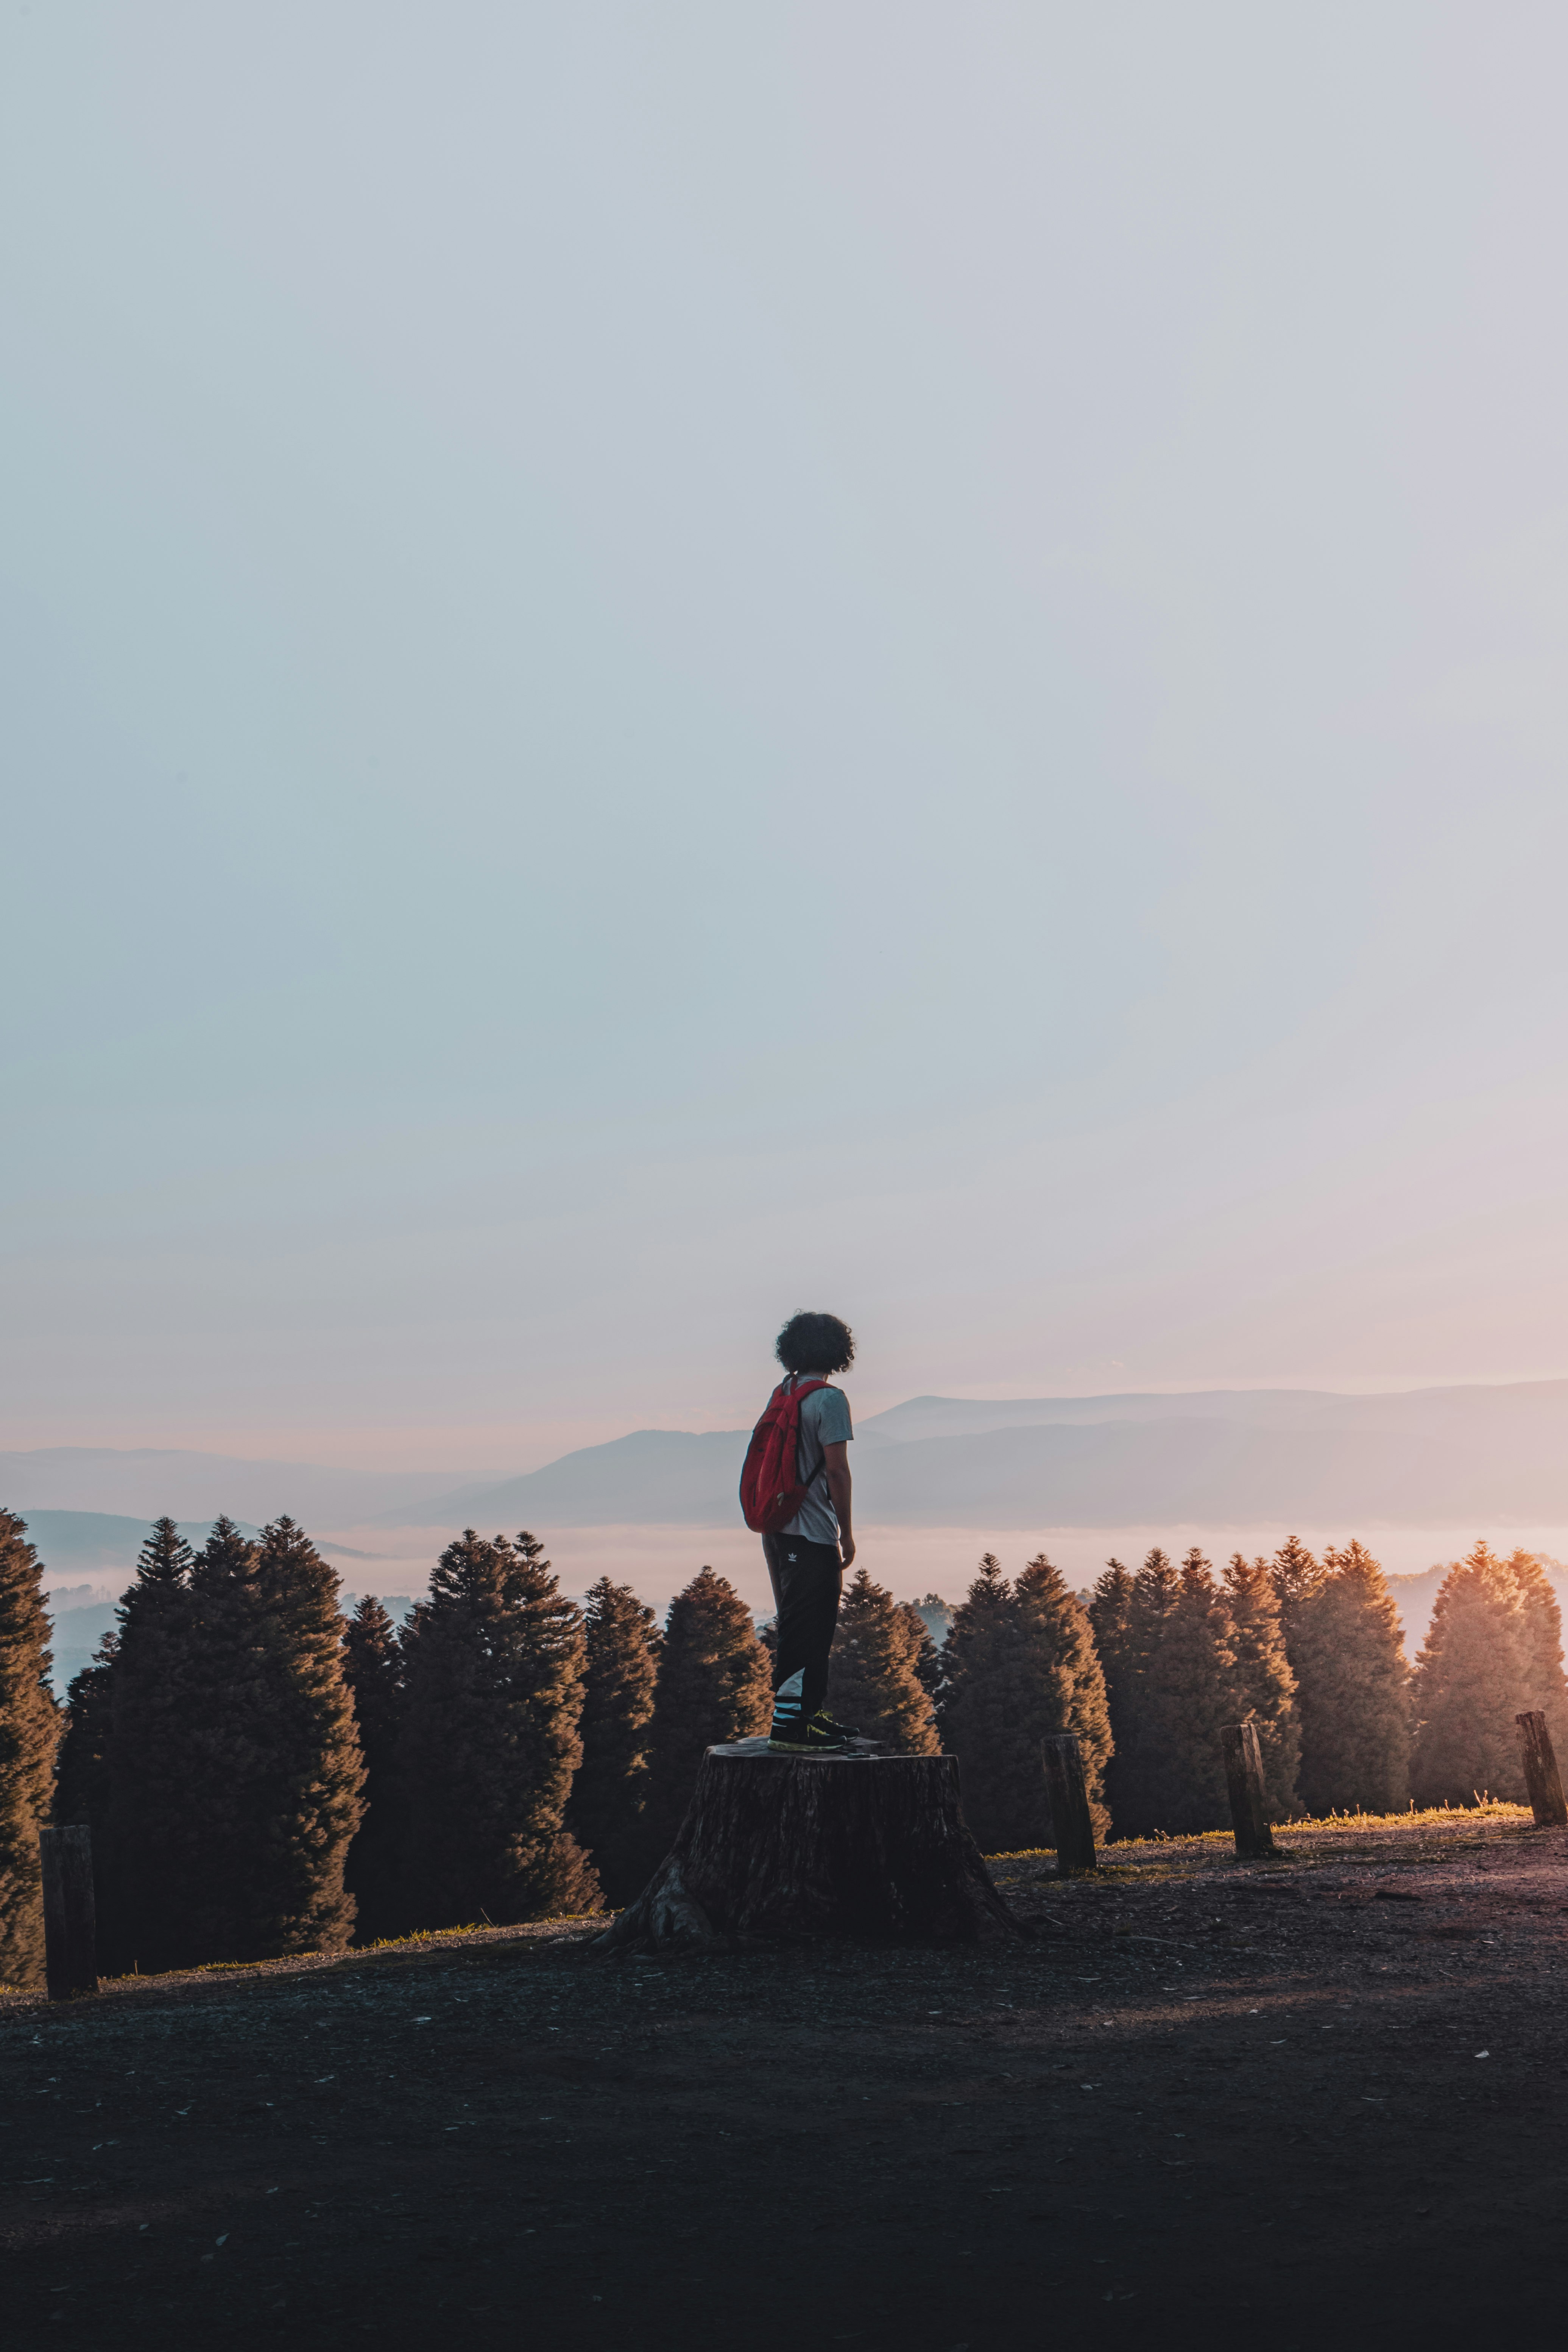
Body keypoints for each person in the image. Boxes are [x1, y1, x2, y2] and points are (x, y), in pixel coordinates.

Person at [762, 1310, 858, 1755]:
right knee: (807, 1628)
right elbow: (837, 1472)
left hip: (778, 1527)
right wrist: (846, 1531)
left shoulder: (783, 1392)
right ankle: (789, 1726)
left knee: (810, 1625)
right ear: (839, 1350)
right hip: (812, 1531)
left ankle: (810, 1714)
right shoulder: (829, 1400)